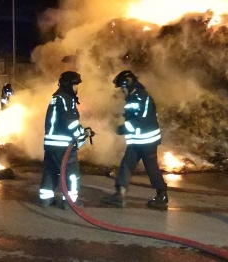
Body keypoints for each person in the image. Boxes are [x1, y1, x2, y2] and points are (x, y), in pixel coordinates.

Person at [103, 70, 168, 210]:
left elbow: (140, 121)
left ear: (130, 85)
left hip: (147, 142)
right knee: (126, 165)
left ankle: (162, 195)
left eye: (123, 88)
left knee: (152, 168)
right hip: (136, 141)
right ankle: (119, 194)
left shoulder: (142, 97)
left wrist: (122, 129)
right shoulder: (133, 97)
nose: (121, 91)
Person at [38, 71, 92, 209]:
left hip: (50, 144)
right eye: (75, 85)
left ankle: (45, 200)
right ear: (68, 85)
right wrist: (82, 135)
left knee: (51, 170)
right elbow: (70, 122)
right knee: (71, 173)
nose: (76, 88)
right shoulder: (66, 99)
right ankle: (70, 201)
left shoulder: (55, 98)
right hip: (63, 145)